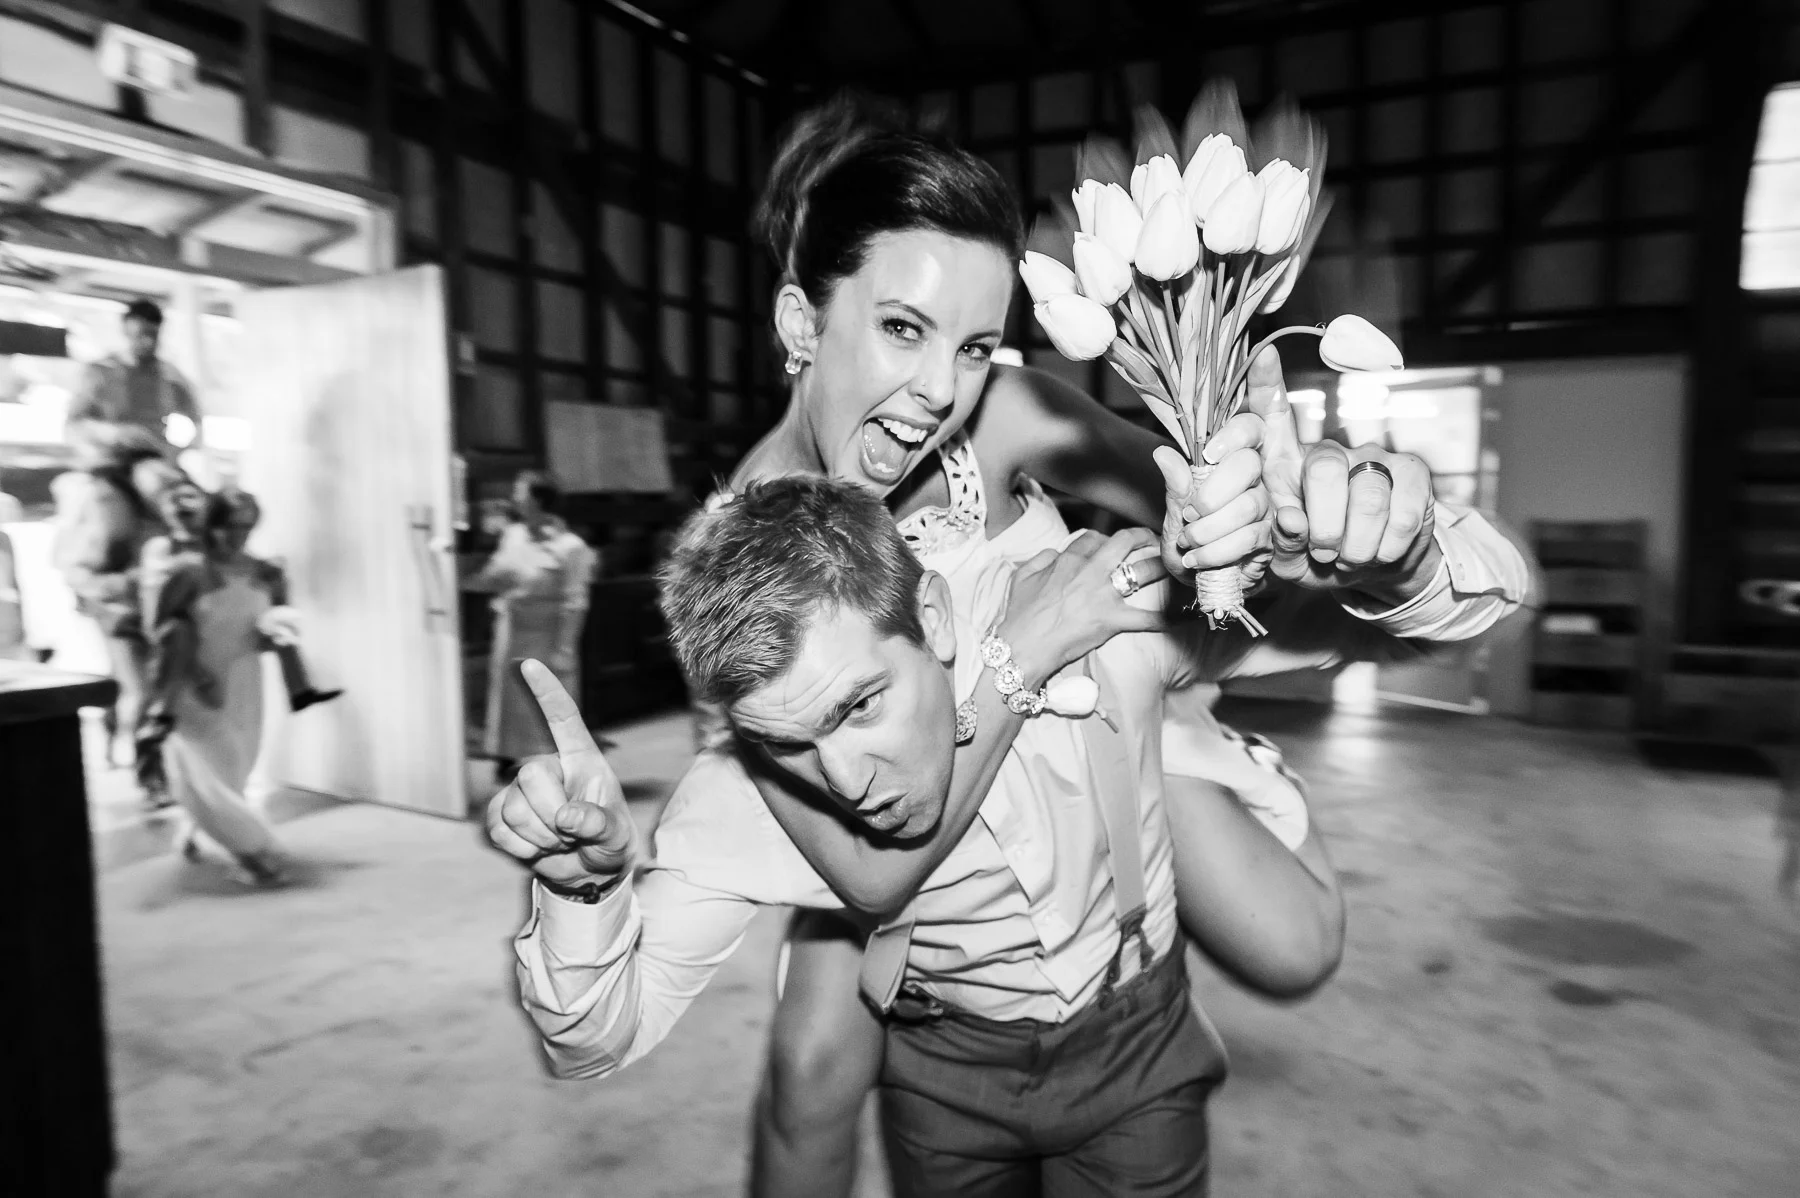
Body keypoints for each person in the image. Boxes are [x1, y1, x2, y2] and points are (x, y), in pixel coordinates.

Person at [684, 97, 1532, 1196]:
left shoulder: (990, 418)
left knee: (1294, 942)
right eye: (901, 325)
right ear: (802, 312)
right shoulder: (738, 553)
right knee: (810, 1069)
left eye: (973, 341)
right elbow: (871, 861)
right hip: (917, 845)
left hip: (1111, 737)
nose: (939, 386)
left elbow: (1201, 517)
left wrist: (1268, 502)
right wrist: (1024, 647)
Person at [498, 477, 1362, 1194]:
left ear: (938, 624)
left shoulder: (1080, 614)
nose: (844, 782)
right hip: (939, 1074)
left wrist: (1379, 540)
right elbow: (593, 1040)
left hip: (1135, 1042)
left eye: (861, 706)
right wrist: (586, 887)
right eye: (784, 743)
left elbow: (1363, 627)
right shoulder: (741, 793)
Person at [142, 487, 300, 886]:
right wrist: (195, 677)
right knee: (211, 766)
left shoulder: (266, 572)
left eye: (246, 527)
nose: (236, 536)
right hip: (195, 681)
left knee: (236, 766)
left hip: (244, 678)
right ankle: (251, 852)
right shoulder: (187, 572)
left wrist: (274, 636)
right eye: (227, 526)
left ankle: (199, 827)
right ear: (210, 526)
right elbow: (162, 634)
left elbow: (271, 625)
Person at [469, 471, 598, 780]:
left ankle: (550, 760)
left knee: (543, 698)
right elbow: (495, 574)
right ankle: (506, 753)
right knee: (507, 700)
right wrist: (463, 577)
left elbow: (575, 601)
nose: (514, 497)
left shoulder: (571, 546)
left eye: (520, 491)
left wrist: (565, 648)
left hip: (546, 635)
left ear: (538, 500)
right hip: (512, 628)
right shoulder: (512, 534)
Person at [65, 298, 205, 468]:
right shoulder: (99, 372)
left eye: (153, 335)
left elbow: (198, 419)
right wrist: (113, 433)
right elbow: (73, 425)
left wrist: (179, 451)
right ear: (126, 330)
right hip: (106, 463)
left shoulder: (170, 375)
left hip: (154, 463)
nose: (148, 342)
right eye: (141, 334)